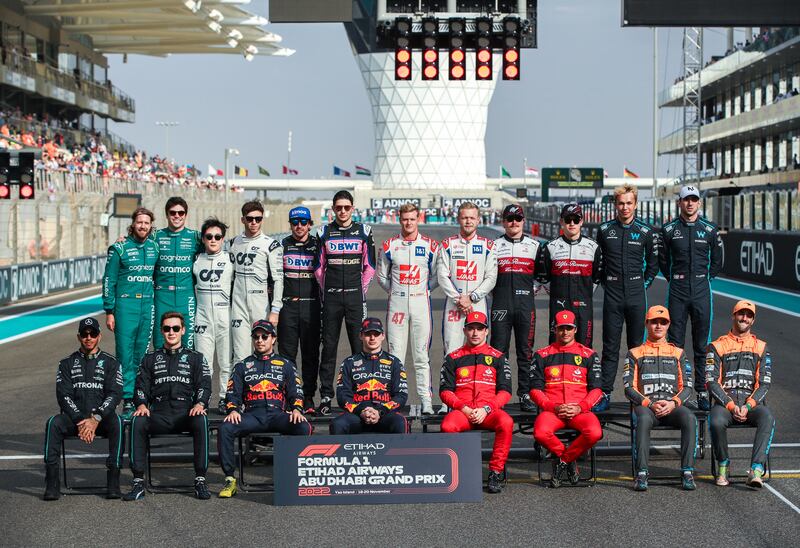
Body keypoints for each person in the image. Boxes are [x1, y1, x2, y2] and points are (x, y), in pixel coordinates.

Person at [217, 320, 311, 498]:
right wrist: (233, 410)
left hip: (278, 415)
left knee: (303, 426)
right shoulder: (242, 366)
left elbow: (296, 392)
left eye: (264, 336)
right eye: (256, 336)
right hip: (253, 415)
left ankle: (295, 475)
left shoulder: (286, 364)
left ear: (273, 339)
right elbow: (232, 393)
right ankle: (230, 479)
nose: (260, 340)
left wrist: (297, 409)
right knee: (225, 427)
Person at [124, 312, 211, 501]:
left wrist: (200, 403)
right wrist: (141, 404)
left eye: (175, 328)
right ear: (162, 331)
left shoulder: (196, 358)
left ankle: (200, 480)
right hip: (160, 413)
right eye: (167, 329)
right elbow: (140, 387)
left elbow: (204, 384)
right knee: (137, 420)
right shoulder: (150, 359)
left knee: (202, 419)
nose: (171, 332)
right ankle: (138, 481)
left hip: (185, 412)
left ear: (183, 331)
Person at [43, 318, 123, 500]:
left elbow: (114, 394)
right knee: (53, 424)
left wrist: (95, 418)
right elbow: (63, 396)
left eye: (93, 334)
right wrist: (80, 420)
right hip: (75, 418)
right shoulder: (66, 364)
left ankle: (113, 482)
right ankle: (52, 484)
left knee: (118, 422)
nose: (89, 338)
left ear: (99, 336)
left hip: (100, 419)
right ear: (79, 337)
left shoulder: (112, 363)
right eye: (85, 334)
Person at [595, 185, 659, 412]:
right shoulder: (604, 230)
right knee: (610, 347)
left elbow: (653, 265)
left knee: (637, 347)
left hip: (635, 293)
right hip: (612, 292)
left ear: (635, 204)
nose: (625, 207)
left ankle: (637, 394)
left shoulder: (646, 231)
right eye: (621, 203)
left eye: (629, 203)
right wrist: (607, 282)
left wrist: (643, 283)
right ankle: (605, 393)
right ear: (615, 205)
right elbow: (598, 264)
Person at [660, 185, 723, 410]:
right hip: (677, 289)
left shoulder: (709, 229)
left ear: (699, 203)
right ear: (680, 202)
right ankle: (676, 391)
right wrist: (675, 278)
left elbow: (717, 261)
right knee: (675, 344)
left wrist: (702, 279)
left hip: (701, 290)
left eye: (694, 199)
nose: (690, 203)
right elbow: (662, 260)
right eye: (686, 199)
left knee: (701, 346)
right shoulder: (668, 230)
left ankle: (701, 391)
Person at [315, 190, 376, 416]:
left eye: (346, 208)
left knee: (359, 348)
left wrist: (359, 289)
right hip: (331, 298)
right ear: (333, 209)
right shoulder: (324, 232)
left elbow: (370, 267)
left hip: (354, 298)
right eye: (338, 208)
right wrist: (328, 289)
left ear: (353, 208)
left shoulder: (364, 231)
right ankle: (326, 395)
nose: (342, 211)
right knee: (328, 348)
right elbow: (319, 268)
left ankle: (360, 394)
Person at [623, 305, 697, 491]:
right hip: (646, 406)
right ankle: (641, 473)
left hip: (672, 406)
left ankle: (687, 471)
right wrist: (650, 403)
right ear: (646, 323)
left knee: (689, 418)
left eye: (663, 322)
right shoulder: (634, 353)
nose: (658, 326)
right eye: (654, 322)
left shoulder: (678, 353)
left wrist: (673, 403)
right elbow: (628, 388)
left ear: (668, 325)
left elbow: (688, 386)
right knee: (642, 420)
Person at [439, 311, 513, 494]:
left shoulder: (498, 357)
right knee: (448, 426)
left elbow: (505, 392)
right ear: (464, 331)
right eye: (471, 328)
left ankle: (495, 472)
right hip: (463, 411)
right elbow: (445, 391)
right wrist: (463, 408)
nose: (475, 333)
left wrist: (487, 408)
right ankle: (463, 470)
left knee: (506, 422)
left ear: (486, 332)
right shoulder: (453, 358)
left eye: (479, 329)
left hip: (488, 411)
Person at [377, 202, 439, 415]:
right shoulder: (389, 246)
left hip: (421, 302)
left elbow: (436, 277)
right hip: (397, 304)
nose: (409, 223)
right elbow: (382, 277)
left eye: (412, 219)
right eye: (405, 219)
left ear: (418, 219)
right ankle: (394, 401)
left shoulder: (431, 246)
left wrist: (424, 291)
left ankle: (426, 401)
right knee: (396, 356)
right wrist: (395, 291)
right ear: (399, 219)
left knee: (421, 355)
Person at [531, 310, 603, 488]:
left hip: (579, 410)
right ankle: (570, 461)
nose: (565, 332)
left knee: (595, 433)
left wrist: (580, 407)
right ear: (554, 329)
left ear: (575, 329)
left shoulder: (589, 355)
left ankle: (562, 460)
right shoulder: (541, 355)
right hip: (553, 411)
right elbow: (534, 390)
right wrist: (552, 406)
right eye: (561, 328)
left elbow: (597, 390)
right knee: (540, 432)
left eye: (568, 328)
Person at [707, 300, 775, 489]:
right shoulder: (716, 346)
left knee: (767, 417)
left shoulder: (761, 347)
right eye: (741, 314)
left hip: (750, 405)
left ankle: (756, 469)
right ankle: (723, 465)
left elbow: (764, 383)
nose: (744, 318)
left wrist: (748, 405)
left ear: (753, 320)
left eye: (749, 315)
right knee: (715, 421)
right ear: (733, 316)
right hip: (725, 405)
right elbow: (711, 382)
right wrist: (730, 405)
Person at [102, 207, 159, 417]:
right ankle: (127, 399)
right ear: (133, 224)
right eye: (139, 222)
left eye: (146, 223)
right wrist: (109, 310)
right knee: (125, 355)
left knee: (142, 356)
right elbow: (109, 279)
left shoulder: (155, 247)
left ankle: (140, 397)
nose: (143, 226)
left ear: (151, 225)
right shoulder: (120, 248)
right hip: (125, 307)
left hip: (147, 306)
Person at [490, 204, 541, 413]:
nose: (513, 223)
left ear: (523, 221)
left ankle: (525, 394)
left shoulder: (534, 245)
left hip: (525, 305)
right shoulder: (493, 245)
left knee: (525, 352)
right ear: (503, 222)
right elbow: (488, 275)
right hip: (501, 303)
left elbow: (541, 276)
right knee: (498, 352)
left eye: (517, 219)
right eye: (509, 219)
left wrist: (530, 291)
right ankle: (497, 396)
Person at [537, 203, 602, 347]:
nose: (571, 223)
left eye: (575, 219)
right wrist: (556, 293)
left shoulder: (593, 247)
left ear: (581, 221)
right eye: (567, 219)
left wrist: (585, 293)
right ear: (561, 222)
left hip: (584, 305)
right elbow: (544, 277)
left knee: (584, 346)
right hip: (559, 304)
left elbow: (597, 276)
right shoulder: (550, 246)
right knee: (556, 345)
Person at [229, 200, 284, 368]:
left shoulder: (271, 244)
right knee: (240, 354)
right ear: (242, 220)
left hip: (261, 304)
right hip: (238, 305)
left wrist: (275, 309)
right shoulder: (233, 243)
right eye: (250, 218)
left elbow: (278, 279)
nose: (254, 222)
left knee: (263, 350)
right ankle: (240, 393)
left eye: (258, 219)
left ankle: (265, 390)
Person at [438, 201, 498, 357]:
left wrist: (471, 298)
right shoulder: (447, 244)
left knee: (479, 351)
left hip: (477, 304)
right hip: (454, 305)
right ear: (458, 219)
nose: (468, 221)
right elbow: (442, 275)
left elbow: (491, 277)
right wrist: (459, 300)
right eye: (465, 218)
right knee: (451, 353)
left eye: (472, 218)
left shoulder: (488, 246)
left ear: (478, 220)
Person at [330, 318, 409, 434]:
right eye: (368, 334)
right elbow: (342, 395)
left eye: (376, 334)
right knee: (338, 424)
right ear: (361, 336)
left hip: (385, 413)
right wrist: (360, 411)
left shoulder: (394, 362)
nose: (372, 338)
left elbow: (401, 395)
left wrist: (380, 411)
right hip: (357, 414)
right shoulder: (349, 362)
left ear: (383, 336)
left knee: (400, 423)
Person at [278, 206, 322, 414]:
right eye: (295, 223)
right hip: (288, 306)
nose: (299, 226)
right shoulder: (282, 245)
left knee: (310, 355)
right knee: (287, 356)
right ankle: (290, 397)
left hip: (311, 306)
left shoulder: (318, 245)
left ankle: (308, 397)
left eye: (303, 222)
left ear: (310, 224)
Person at [193, 217, 234, 414]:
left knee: (226, 363)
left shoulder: (230, 259)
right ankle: (203, 399)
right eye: (209, 236)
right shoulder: (196, 259)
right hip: (202, 319)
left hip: (225, 316)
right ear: (203, 239)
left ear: (223, 239)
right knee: (204, 364)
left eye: (218, 236)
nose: (213, 240)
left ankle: (225, 398)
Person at [153, 197, 202, 349]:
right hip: (162, 295)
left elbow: (215, 248)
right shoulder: (155, 236)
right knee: (161, 342)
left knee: (187, 343)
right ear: (166, 215)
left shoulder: (196, 237)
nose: (177, 216)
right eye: (173, 212)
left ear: (185, 215)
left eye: (181, 212)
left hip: (186, 296)